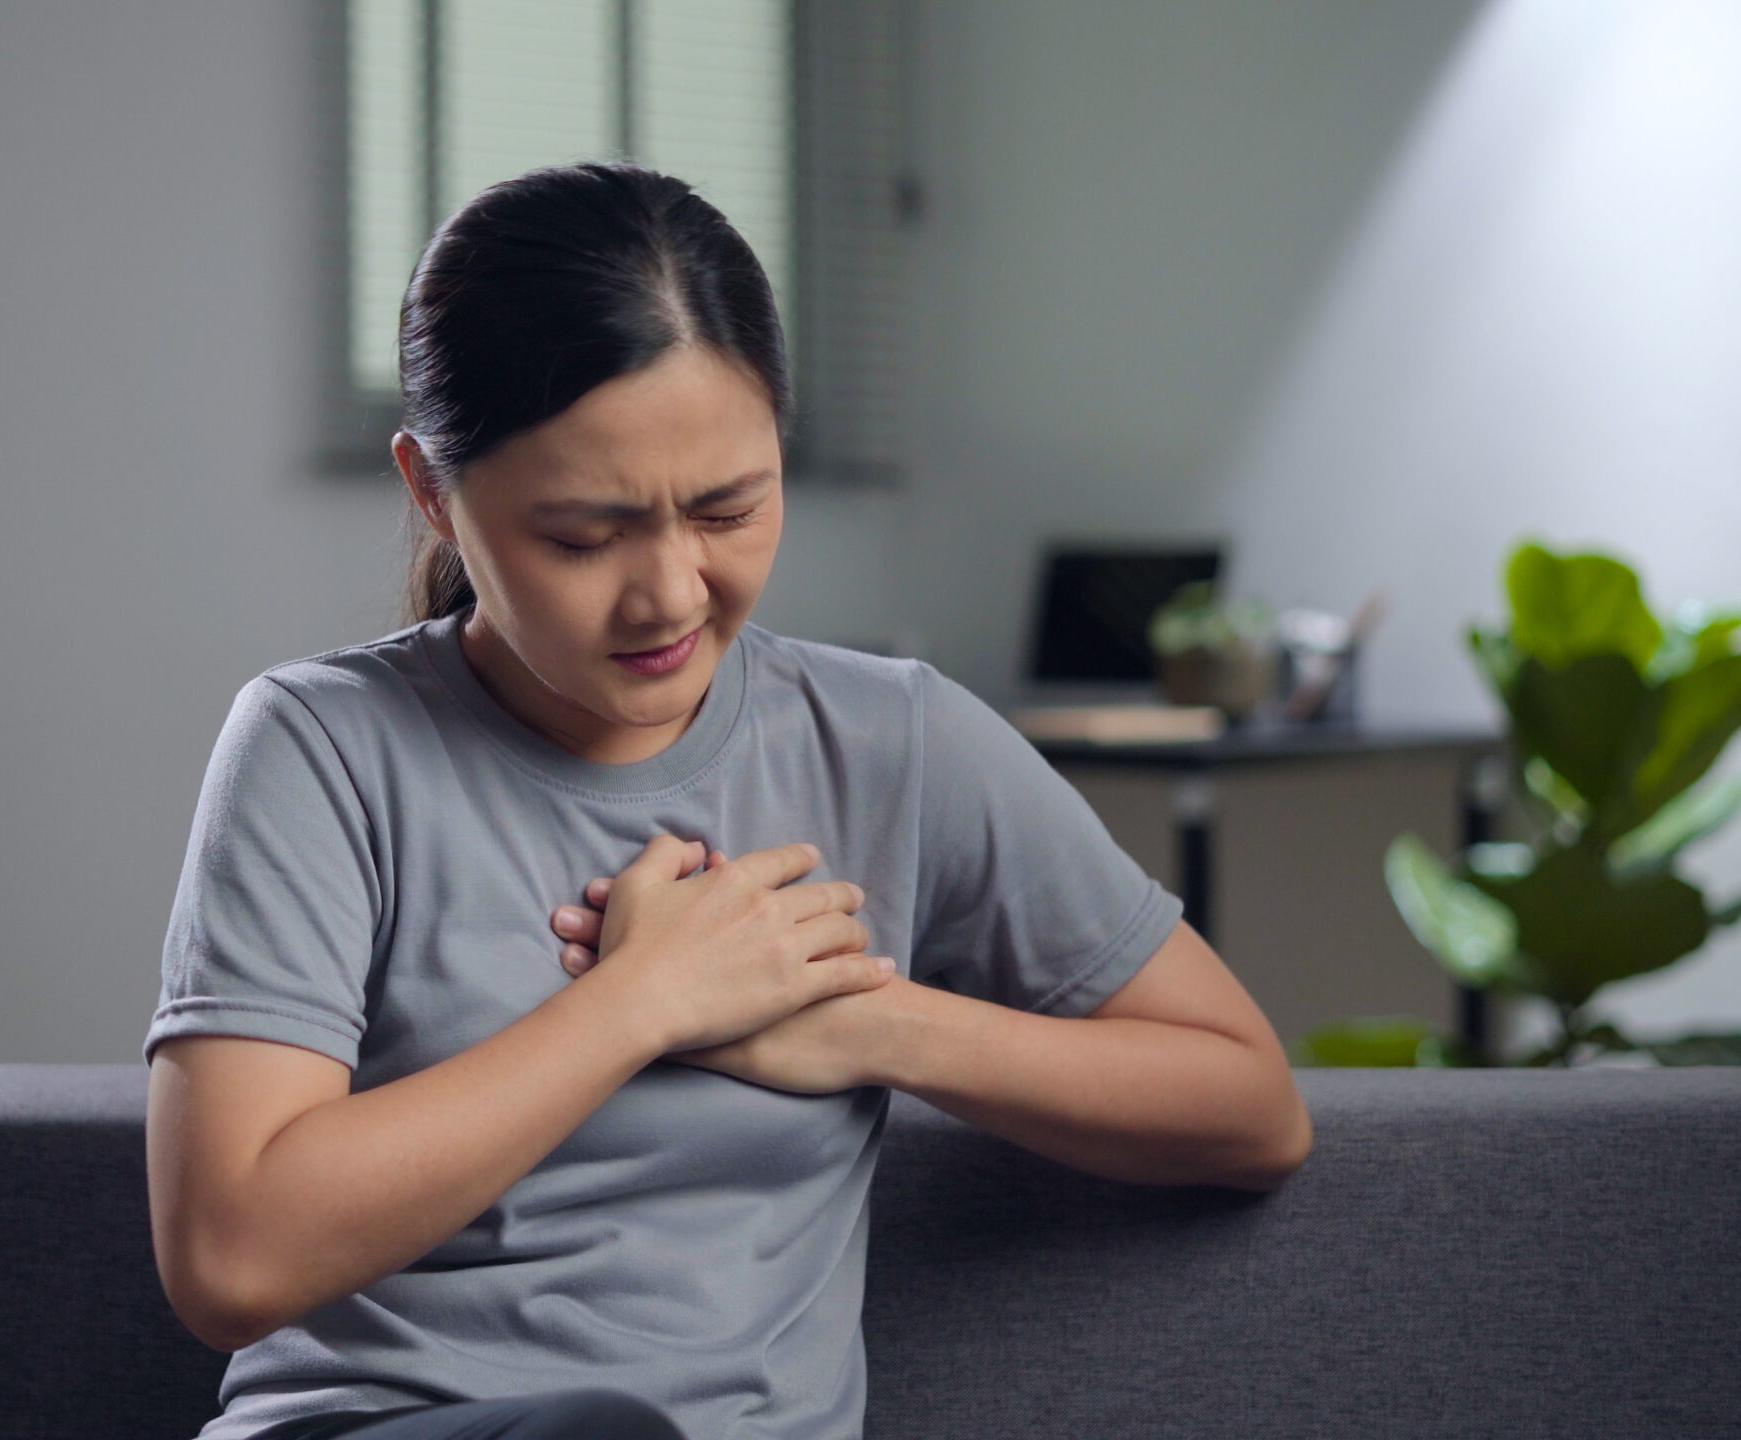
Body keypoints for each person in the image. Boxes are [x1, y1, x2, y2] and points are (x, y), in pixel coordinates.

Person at [143, 161, 1310, 1440]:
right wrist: (643, 1002)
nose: (669, 595)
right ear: (432, 492)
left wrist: (871, 1024)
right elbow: (232, 1260)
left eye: (726, 510)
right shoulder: (321, 748)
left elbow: (1249, 1108)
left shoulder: (894, 743)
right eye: (583, 537)